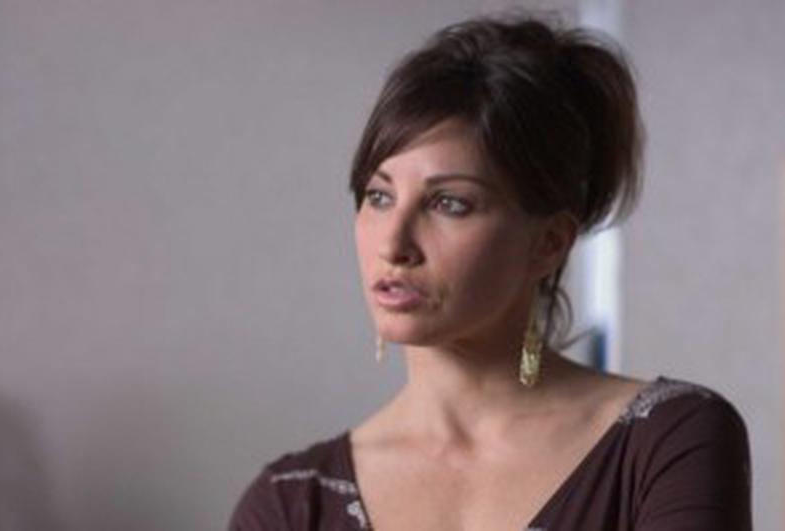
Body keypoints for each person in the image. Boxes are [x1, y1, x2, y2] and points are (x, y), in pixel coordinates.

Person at [229, 12, 752, 531]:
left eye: (449, 204)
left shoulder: (669, 442)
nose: (393, 244)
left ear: (549, 242)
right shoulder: (289, 504)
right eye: (379, 196)